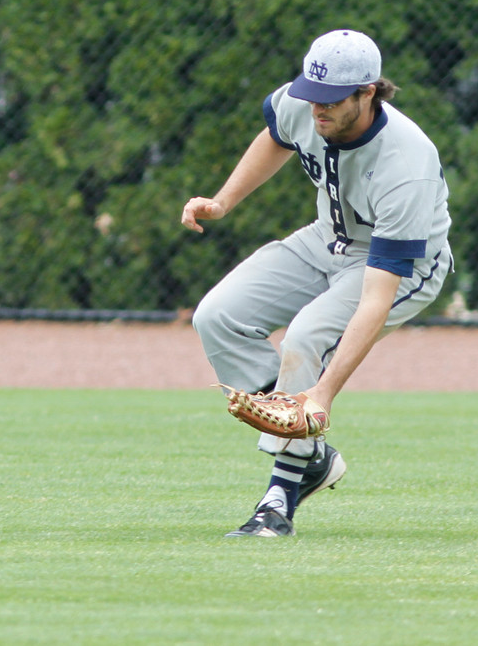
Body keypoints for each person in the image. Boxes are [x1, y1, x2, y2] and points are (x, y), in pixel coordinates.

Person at [180, 29, 453, 537]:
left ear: (367, 92)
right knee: (217, 317)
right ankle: (313, 457)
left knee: (306, 340)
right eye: (312, 94)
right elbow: (277, 136)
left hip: (400, 267)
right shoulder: (305, 100)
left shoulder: (405, 165)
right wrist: (222, 202)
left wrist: (322, 393)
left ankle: (278, 500)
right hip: (325, 239)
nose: (316, 109)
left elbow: (375, 299)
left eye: (330, 101)